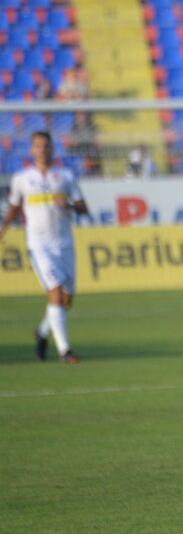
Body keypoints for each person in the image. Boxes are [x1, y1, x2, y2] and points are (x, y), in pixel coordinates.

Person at [0, 131, 89, 363]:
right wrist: (3, 228)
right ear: (32, 149)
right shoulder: (22, 179)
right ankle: (64, 350)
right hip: (39, 244)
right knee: (56, 291)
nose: (43, 150)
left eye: (46, 146)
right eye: (38, 146)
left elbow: (83, 208)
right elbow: (13, 208)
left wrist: (69, 204)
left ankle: (42, 333)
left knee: (66, 301)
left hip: (64, 243)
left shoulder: (65, 176)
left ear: (53, 149)